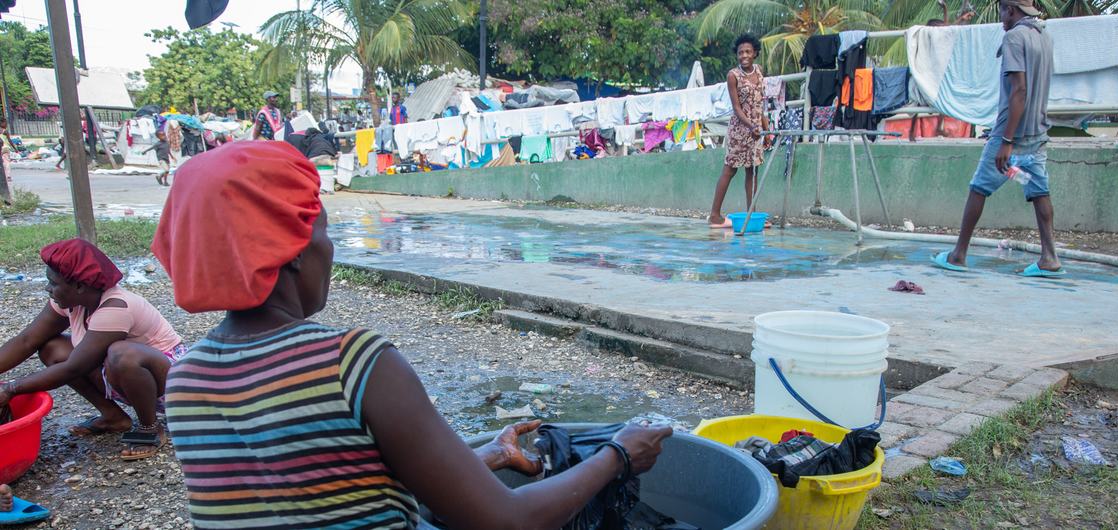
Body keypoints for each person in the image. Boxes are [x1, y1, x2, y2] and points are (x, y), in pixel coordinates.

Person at [153, 141, 673, 529]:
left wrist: (488, 458)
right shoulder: (351, 362)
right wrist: (618, 455)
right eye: (323, 230)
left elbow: (326, 493)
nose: (330, 249)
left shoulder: (184, 380)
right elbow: (508, 521)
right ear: (289, 251)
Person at [0, 239, 187, 460]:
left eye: (53, 283)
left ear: (79, 286)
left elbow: (74, 368)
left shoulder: (116, 307)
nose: (47, 288)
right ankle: (113, 417)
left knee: (121, 354)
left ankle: (150, 427)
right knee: (52, 348)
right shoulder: (70, 301)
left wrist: (10, 389)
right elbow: (27, 340)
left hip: (170, 385)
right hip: (120, 375)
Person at [933, 0, 1061, 276]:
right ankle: (1050, 257)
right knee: (1040, 191)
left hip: (1011, 133)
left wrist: (1006, 141)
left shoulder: (1014, 37)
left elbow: (1019, 90)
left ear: (1011, 10)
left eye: (1002, 11)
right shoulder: (1044, 36)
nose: (1001, 17)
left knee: (979, 187)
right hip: (1038, 132)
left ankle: (958, 254)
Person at [708, 34, 771, 229]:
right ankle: (715, 215)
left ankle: (752, 215)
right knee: (730, 169)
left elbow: (760, 104)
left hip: (756, 130)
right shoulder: (733, 76)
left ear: (755, 53)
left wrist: (766, 129)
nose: (744, 55)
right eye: (740, 52)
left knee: (753, 171)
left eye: (748, 52)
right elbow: (736, 107)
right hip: (740, 130)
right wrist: (751, 126)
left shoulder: (759, 72)